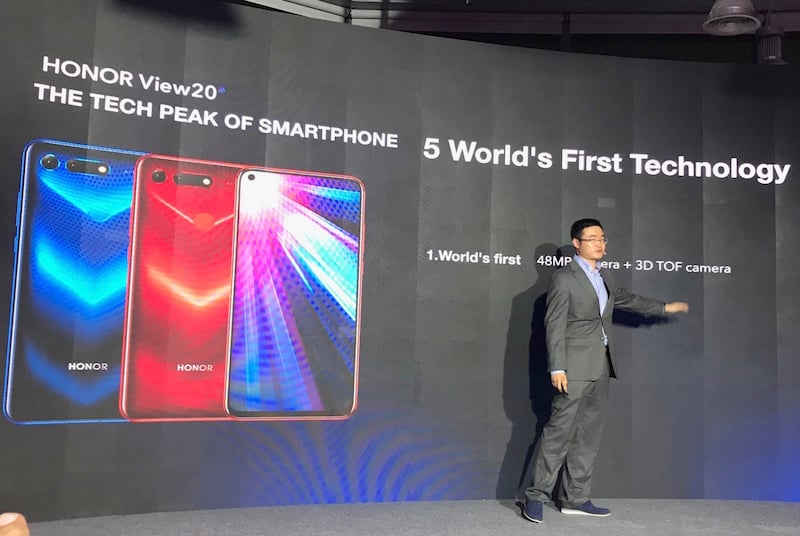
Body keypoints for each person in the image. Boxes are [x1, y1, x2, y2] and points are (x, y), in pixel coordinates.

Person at [522, 218, 688, 523]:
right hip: (572, 368)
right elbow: (554, 325)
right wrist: (557, 367)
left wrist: (664, 307)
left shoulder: (604, 275)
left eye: (602, 238)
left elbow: (626, 299)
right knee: (558, 433)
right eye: (592, 239)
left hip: (601, 366)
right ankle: (535, 496)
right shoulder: (564, 278)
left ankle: (574, 498)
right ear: (577, 243)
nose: (599, 244)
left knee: (588, 435)